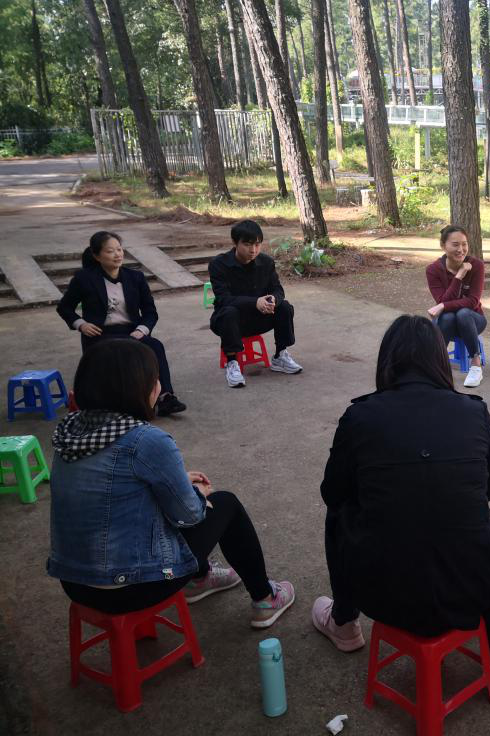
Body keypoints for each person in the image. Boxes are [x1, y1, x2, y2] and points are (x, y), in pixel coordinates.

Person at [312, 316, 490, 673]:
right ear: (440, 359)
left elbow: (333, 493)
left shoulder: (360, 417)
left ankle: (344, 620)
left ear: (387, 361)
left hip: (385, 595)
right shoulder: (474, 411)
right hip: (472, 587)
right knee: (471, 504)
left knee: (340, 509)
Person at [46, 340, 295, 627]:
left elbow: (114, 488)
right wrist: (196, 493)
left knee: (164, 500)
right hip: (133, 588)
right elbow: (189, 514)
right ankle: (265, 598)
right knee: (225, 504)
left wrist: (178, 482)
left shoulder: (70, 432)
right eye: (154, 378)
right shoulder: (146, 440)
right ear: (139, 388)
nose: (159, 384)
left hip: (75, 583)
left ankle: (201, 577)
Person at [56, 231, 186, 416]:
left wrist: (142, 329)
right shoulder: (84, 279)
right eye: (110, 251)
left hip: (131, 331)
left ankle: (166, 397)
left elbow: (150, 311)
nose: (117, 255)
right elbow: (64, 308)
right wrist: (81, 324)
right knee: (117, 357)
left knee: (155, 346)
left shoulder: (136, 278)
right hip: (99, 334)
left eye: (119, 249)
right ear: (96, 256)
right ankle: (117, 403)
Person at [209, 220, 302, 388]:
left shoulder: (266, 263)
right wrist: (255, 302)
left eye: (257, 244)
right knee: (229, 312)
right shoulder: (219, 264)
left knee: (284, 307)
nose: (253, 250)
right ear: (235, 243)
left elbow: (278, 289)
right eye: (247, 244)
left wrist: (273, 299)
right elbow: (223, 298)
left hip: (260, 318)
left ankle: (280, 355)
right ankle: (232, 362)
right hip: (230, 323)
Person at [426, 225, 487, 388]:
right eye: (455, 245)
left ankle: (476, 365)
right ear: (443, 246)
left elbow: (473, 301)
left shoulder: (477, 266)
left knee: (463, 314)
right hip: (447, 323)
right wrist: (459, 276)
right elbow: (443, 299)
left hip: (474, 319)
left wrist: (443, 305)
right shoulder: (433, 270)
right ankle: (438, 365)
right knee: (448, 316)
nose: (461, 249)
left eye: (464, 244)